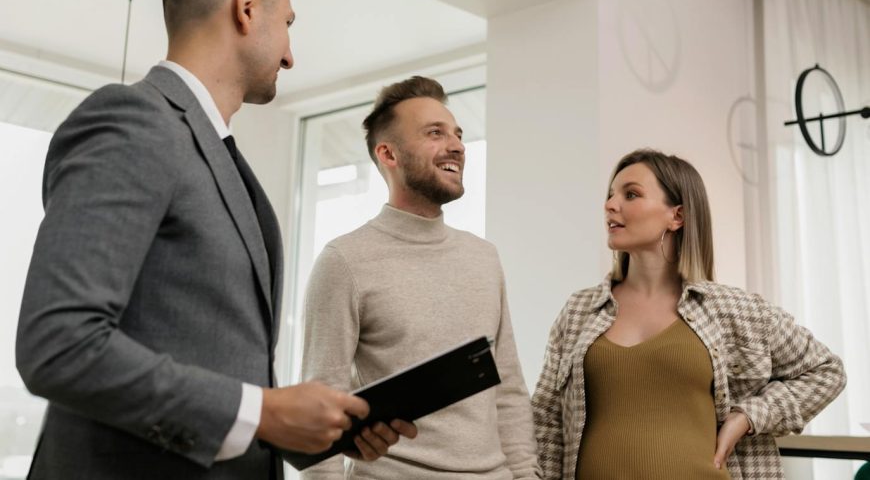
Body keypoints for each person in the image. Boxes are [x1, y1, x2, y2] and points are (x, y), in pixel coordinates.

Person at [16, 0, 413, 480]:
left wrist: (303, 434)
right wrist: (263, 411)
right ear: (247, 8)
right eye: (289, 26)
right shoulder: (134, 120)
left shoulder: (217, 153)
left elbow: (221, 365)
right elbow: (59, 344)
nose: (291, 56)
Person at [532, 148, 846, 480]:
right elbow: (546, 421)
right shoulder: (579, 311)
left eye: (631, 194)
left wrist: (748, 417)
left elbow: (826, 371)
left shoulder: (734, 311)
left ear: (677, 216)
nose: (610, 205)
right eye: (610, 196)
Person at [300, 76, 541, 479]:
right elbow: (322, 407)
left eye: (458, 135)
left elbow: (509, 393)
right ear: (388, 154)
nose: (457, 146)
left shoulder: (484, 258)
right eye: (435, 133)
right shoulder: (344, 261)